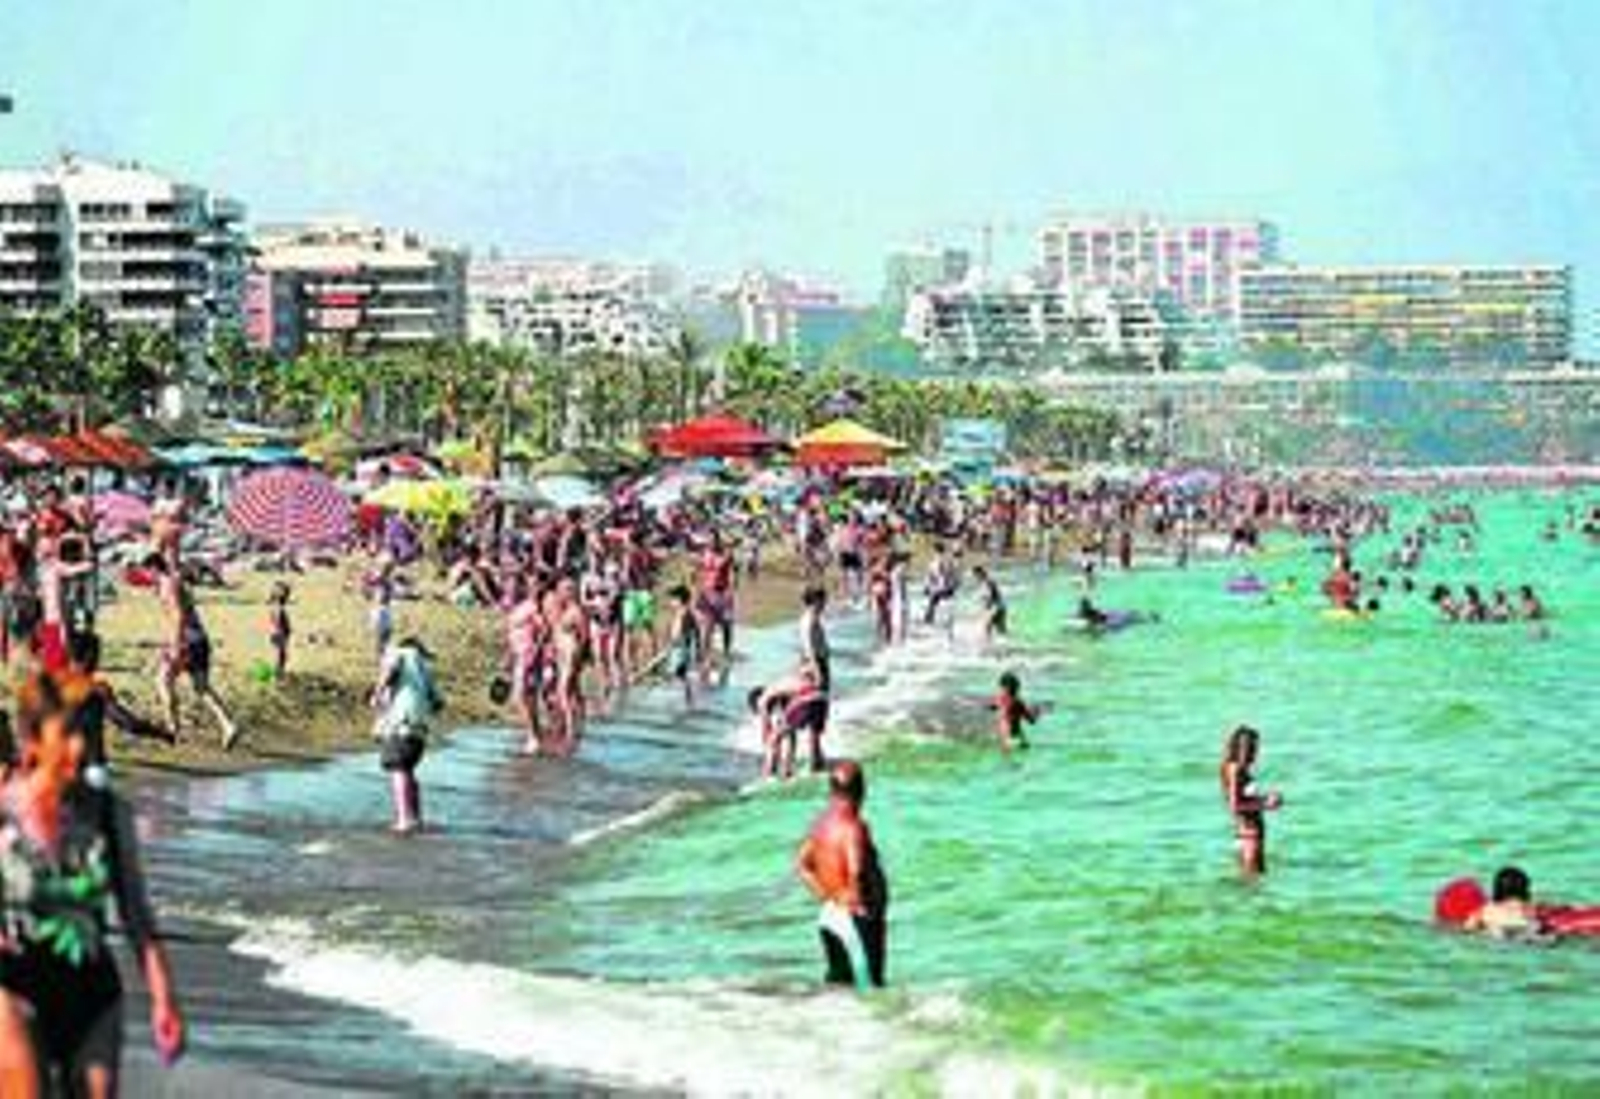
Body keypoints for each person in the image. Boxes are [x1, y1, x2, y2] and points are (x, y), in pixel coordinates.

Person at [0, 671, 185, 1095]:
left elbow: (136, 914)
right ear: (34, 741)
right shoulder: (5, 814)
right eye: (66, 734)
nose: (80, 747)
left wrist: (163, 998)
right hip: (15, 986)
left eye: (85, 732)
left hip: (92, 989)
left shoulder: (108, 813)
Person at [795, 760, 890, 990]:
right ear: (862, 790)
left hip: (830, 916)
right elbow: (856, 869)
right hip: (854, 921)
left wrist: (827, 895)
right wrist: (859, 905)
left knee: (839, 988)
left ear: (832, 791)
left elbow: (802, 865)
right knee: (871, 990)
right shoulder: (854, 827)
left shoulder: (820, 825)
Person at [148, 554, 238, 751]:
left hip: (186, 640)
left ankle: (173, 729)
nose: (146, 576)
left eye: (147, 572)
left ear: (153, 569)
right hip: (200, 639)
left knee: (162, 680)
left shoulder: (168, 586)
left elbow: (178, 615)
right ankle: (227, 724)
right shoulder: (175, 583)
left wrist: (176, 644)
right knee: (201, 687)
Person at [371, 637, 442, 833]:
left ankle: (404, 820)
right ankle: (416, 818)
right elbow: (438, 702)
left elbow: (391, 668)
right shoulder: (425, 669)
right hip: (420, 728)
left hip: (402, 724)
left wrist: (377, 693)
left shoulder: (401, 653)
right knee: (408, 771)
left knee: (399, 770)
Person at [1219, 725, 1283, 877]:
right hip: (1249, 836)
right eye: (1248, 748)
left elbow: (1244, 799)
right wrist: (1266, 804)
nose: (1253, 753)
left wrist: (1264, 798)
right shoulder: (1235, 769)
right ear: (1237, 747)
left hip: (1247, 835)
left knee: (1251, 884)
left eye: (1254, 748)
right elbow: (1235, 806)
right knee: (1253, 882)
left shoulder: (1236, 769)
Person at [1463, 866, 1543, 939]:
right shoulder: (1530, 908)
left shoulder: (1486, 910)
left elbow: (1468, 928)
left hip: (1498, 930)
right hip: (1525, 929)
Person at [992, 671, 1038, 753]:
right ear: (1017, 688)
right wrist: (1035, 713)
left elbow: (994, 710)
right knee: (1024, 748)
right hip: (1017, 735)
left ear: (1003, 687)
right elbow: (1031, 720)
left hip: (1004, 736)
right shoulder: (1018, 702)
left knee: (1006, 754)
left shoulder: (999, 700)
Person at [971, 564, 1008, 642]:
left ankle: (989, 644)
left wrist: (986, 608)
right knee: (1000, 629)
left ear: (979, 574)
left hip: (996, 608)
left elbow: (990, 597)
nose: (974, 578)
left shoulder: (987, 582)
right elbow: (992, 595)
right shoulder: (988, 581)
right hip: (1001, 607)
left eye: (975, 575)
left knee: (988, 628)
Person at [267, 581, 292, 682]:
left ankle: (279, 673)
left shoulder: (276, 606)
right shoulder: (278, 607)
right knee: (280, 655)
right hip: (279, 634)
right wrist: (279, 631)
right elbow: (277, 620)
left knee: (281, 655)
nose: (287, 597)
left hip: (279, 633)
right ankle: (277, 674)